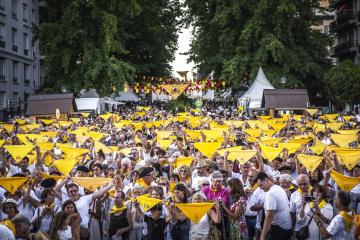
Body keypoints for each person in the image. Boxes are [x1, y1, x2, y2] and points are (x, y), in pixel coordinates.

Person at [255, 172, 292, 240]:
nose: (260, 188)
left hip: (280, 229)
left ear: (266, 180)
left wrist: (262, 236)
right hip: (285, 228)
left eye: (261, 185)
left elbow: (269, 216)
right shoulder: (278, 187)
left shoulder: (271, 193)